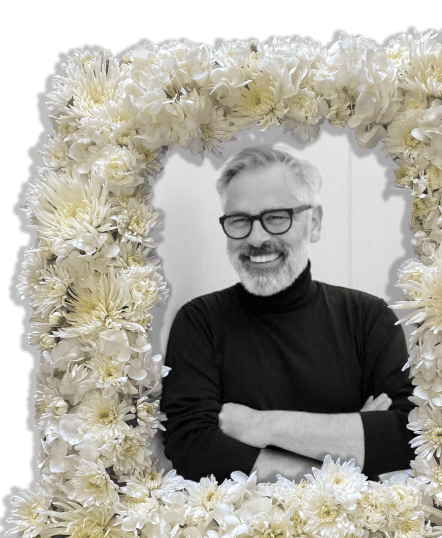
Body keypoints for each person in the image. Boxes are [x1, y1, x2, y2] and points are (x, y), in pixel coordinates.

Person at [160, 145, 415, 483]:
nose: (256, 238)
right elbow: (192, 450)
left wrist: (259, 426)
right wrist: (348, 451)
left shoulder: (368, 318)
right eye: (239, 220)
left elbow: (406, 437)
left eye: (277, 217)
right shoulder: (199, 322)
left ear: (314, 223)